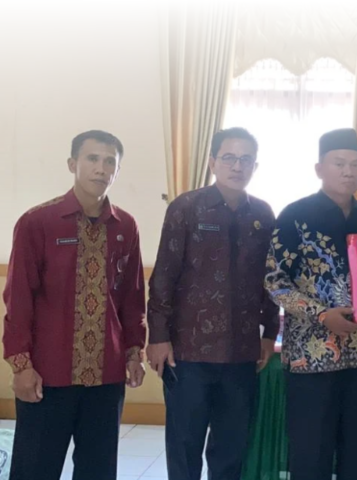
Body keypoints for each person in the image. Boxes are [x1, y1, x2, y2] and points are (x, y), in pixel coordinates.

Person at [2, 130, 147, 480]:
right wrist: (21, 365)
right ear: (72, 164)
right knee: (35, 468)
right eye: (92, 159)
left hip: (106, 374)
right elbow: (18, 299)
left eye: (110, 161)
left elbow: (131, 297)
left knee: (98, 469)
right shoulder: (38, 222)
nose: (101, 168)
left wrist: (134, 353)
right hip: (47, 373)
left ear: (117, 170)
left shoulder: (125, 226)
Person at [147, 127, 279, 480]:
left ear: (255, 166)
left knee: (231, 447)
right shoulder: (186, 208)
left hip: (241, 351)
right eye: (229, 158)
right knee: (184, 444)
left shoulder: (263, 214)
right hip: (188, 351)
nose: (237, 166)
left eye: (246, 159)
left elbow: (271, 280)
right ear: (212, 162)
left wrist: (270, 333)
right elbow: (164, 276)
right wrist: (158, 337)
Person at [265, 127, 357, 480]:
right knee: (310, 452)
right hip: (311, 355)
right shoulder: (294, 215)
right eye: (339, 163)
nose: (349, 172)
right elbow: (274, 281)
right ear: (319, 168)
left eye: (355, 164)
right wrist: (321, 315)